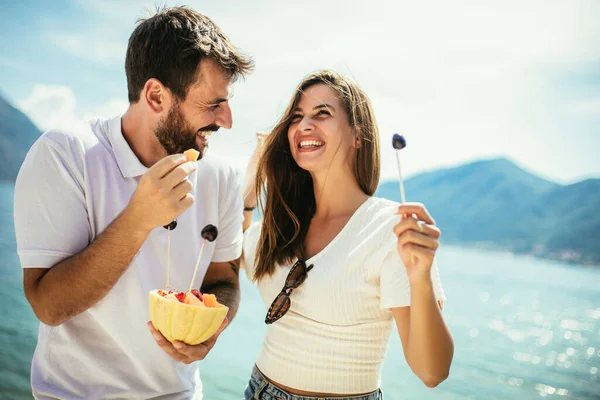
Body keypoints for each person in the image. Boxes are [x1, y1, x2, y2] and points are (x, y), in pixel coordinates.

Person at [13, 7, 253, 400]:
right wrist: (139, 220)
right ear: (156, 95)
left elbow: (224, 281)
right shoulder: (65, 155)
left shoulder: (221, 177)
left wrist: (213, 327)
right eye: (213, 104)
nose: (227, 121)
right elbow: (48, 306)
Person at [241, 70, 454, 399]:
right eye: (296, 117)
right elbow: (231, 254)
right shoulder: (283, 223)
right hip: (258, 390)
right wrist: (250, 188)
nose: (304, 125)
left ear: (358, 135)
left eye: (322, 113)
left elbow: (432, 371)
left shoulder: (389, 229)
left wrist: (421, 276)